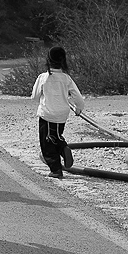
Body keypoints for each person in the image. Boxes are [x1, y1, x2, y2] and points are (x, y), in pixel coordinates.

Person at [30, 46, 85, 179]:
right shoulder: (66, 78)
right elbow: (78, 97)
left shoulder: (43, 77)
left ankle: (56, 169)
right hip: (62, 114)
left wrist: (43, 96)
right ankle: (62, 147)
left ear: (48, 60)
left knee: (47, 143)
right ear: (63, 61)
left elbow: (34, 96)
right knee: (56, 135)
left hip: (47, 114)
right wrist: (78, 108)